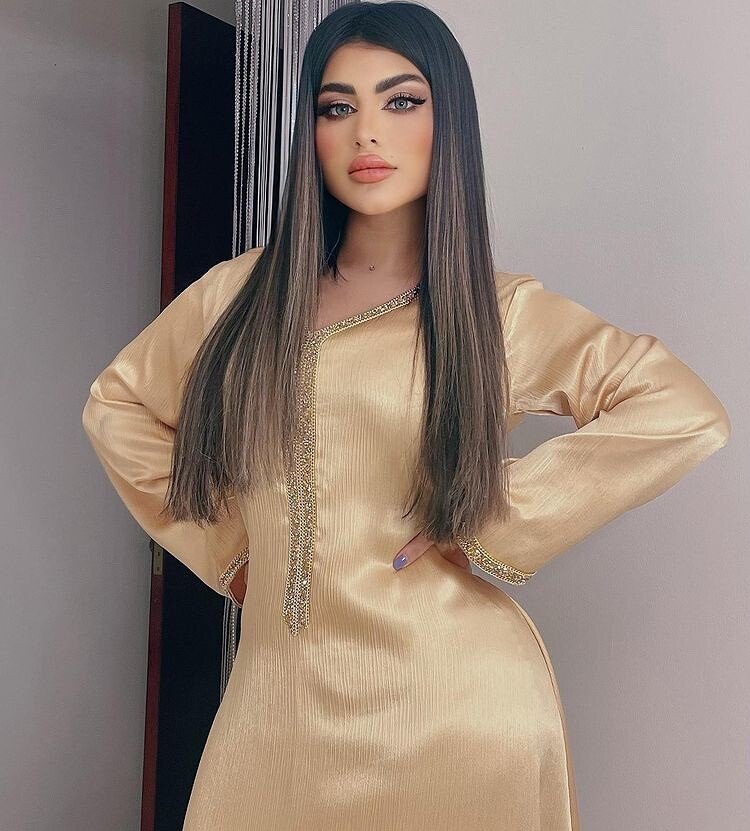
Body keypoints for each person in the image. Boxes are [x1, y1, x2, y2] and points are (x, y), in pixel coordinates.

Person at [81, 3, 731, 829]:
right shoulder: (236, 296)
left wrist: (494, 512)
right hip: (276, 708)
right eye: (337, 107)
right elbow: (119, 405)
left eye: (401, 101)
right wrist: (231, 547)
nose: (367, 133)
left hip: (454, 713)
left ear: (446, 120)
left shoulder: (494, 311)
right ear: (311, 133)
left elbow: (681, 411)